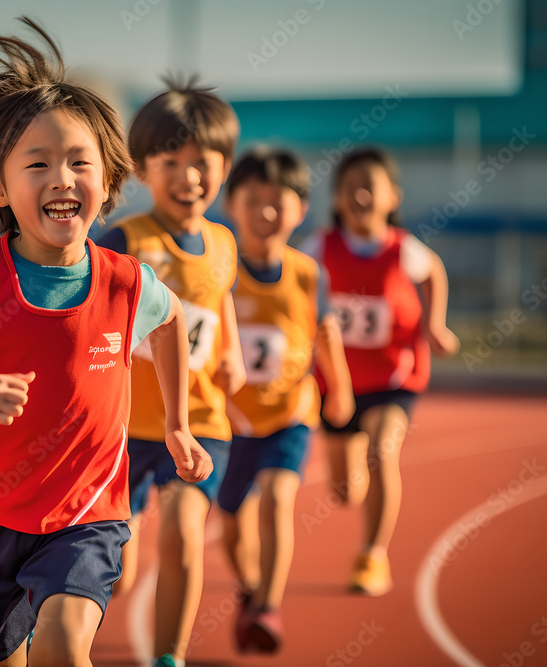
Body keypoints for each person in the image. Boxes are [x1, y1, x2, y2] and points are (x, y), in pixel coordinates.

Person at [0, 19, 212, 667]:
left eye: (81, 162)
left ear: (107, 181)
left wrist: (179, 424)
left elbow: (167, 325)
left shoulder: (129, 283)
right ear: (0, 188)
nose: (63, 178)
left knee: (61, 642)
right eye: (39, 164)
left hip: (88, 511)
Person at [96, 77, 245, 667]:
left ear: (225, 167)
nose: (189, 177)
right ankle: (52, 632)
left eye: (202, 163)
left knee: (185, 535)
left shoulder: (224, 243)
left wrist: (228, 350)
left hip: (200, 421)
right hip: (124, 428)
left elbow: (219, 298)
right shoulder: (124, 241)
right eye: (171, 162)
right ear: (140, 170)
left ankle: (168, 656)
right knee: (120, 568)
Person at [300, 146, 459, 597]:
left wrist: (435, 323)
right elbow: (291, 283)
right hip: (335, 383)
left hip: (393, 378)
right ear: (336, 199)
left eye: (370, 186)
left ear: (393, 197)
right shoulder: (318, 247)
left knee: (382, 451)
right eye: (349, 187)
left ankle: (372, 555)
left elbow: (434, 271)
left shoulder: (403, 249)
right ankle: (359, 486)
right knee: (344, 491)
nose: (359, 195)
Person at [216, 147, 354, 654]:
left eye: (281, 202)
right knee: (231, 524)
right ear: (232, 205)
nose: (267, 213)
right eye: (254, 200)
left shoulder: (309, 273)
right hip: (230, 422)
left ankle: (269, 606)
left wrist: (338, 388)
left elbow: (324, 333)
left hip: (290, 415)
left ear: (301, 210)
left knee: (277, 498)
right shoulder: (220, 271)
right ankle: (251, 589)